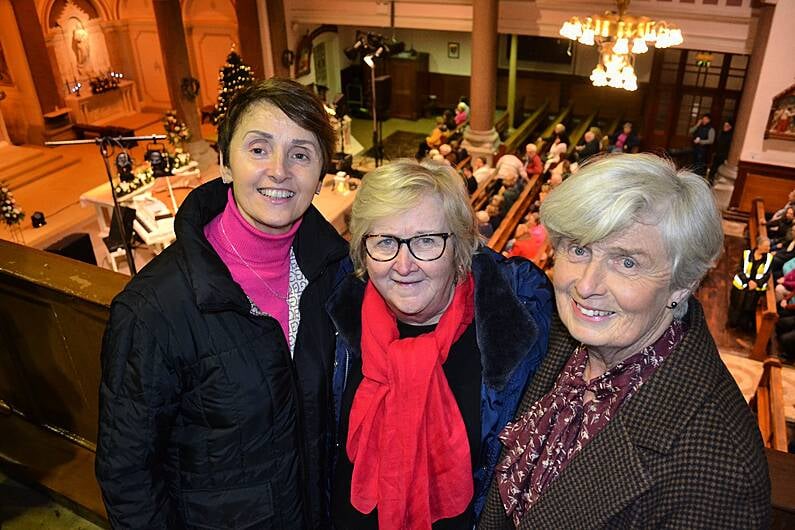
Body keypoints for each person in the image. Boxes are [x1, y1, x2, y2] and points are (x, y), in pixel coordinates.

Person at [95, 78, 350, 529]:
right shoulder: (154, 309)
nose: (279, 170)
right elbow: (128, 475)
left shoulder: (332, 275)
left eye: (301, 154)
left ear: (320, 173)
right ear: (225, 164)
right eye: (258, 148)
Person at [479, 153, 769, 529]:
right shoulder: (561, 338)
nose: (586, 285)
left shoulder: (721, 472)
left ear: (681, 284)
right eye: (579, 249)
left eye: (627, 262)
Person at [328, 159, 553, 529]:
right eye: (385, 241)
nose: (404, 265)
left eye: (426, 241)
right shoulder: (336, 319)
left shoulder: (518, 332)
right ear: (363, 252)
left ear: (459, 247)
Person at [728, 236, 773, 331]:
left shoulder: (769, 258)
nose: (769, 249)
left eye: (769, 247)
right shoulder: (747, 254)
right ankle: (733, 323)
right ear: (758, 246)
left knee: (748, 308)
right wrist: (748, 281)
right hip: (742, 284)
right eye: (766, 247)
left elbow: (767, 275)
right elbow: (740, 269)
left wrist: (756, 283)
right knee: (736, 305)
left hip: (755, 289)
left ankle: (743, 326)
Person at [708, 119, 733, 184]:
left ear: (730, 127)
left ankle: (714, 184)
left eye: (727, 126)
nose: (725, 127)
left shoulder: (731, 136)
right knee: (712, 170)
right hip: (717, 155)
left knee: (720, 172)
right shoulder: (721, 133)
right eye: (724, 125)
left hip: (723, 157)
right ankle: (709, 183)